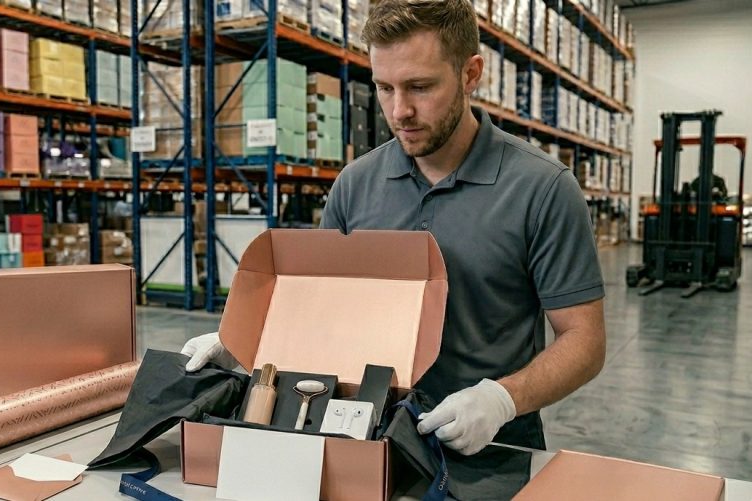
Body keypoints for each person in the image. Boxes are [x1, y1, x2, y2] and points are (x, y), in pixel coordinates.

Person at [183, 0, 605, 467]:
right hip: (369, 436)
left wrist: (501, 400)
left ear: (470, 74)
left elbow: (584, 341)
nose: (400, 110)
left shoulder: (542, 188)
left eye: (420, 87)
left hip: (492, 448)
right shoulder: (355, 184)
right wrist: (246, 339)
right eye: (384, 87)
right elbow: (322, 313)